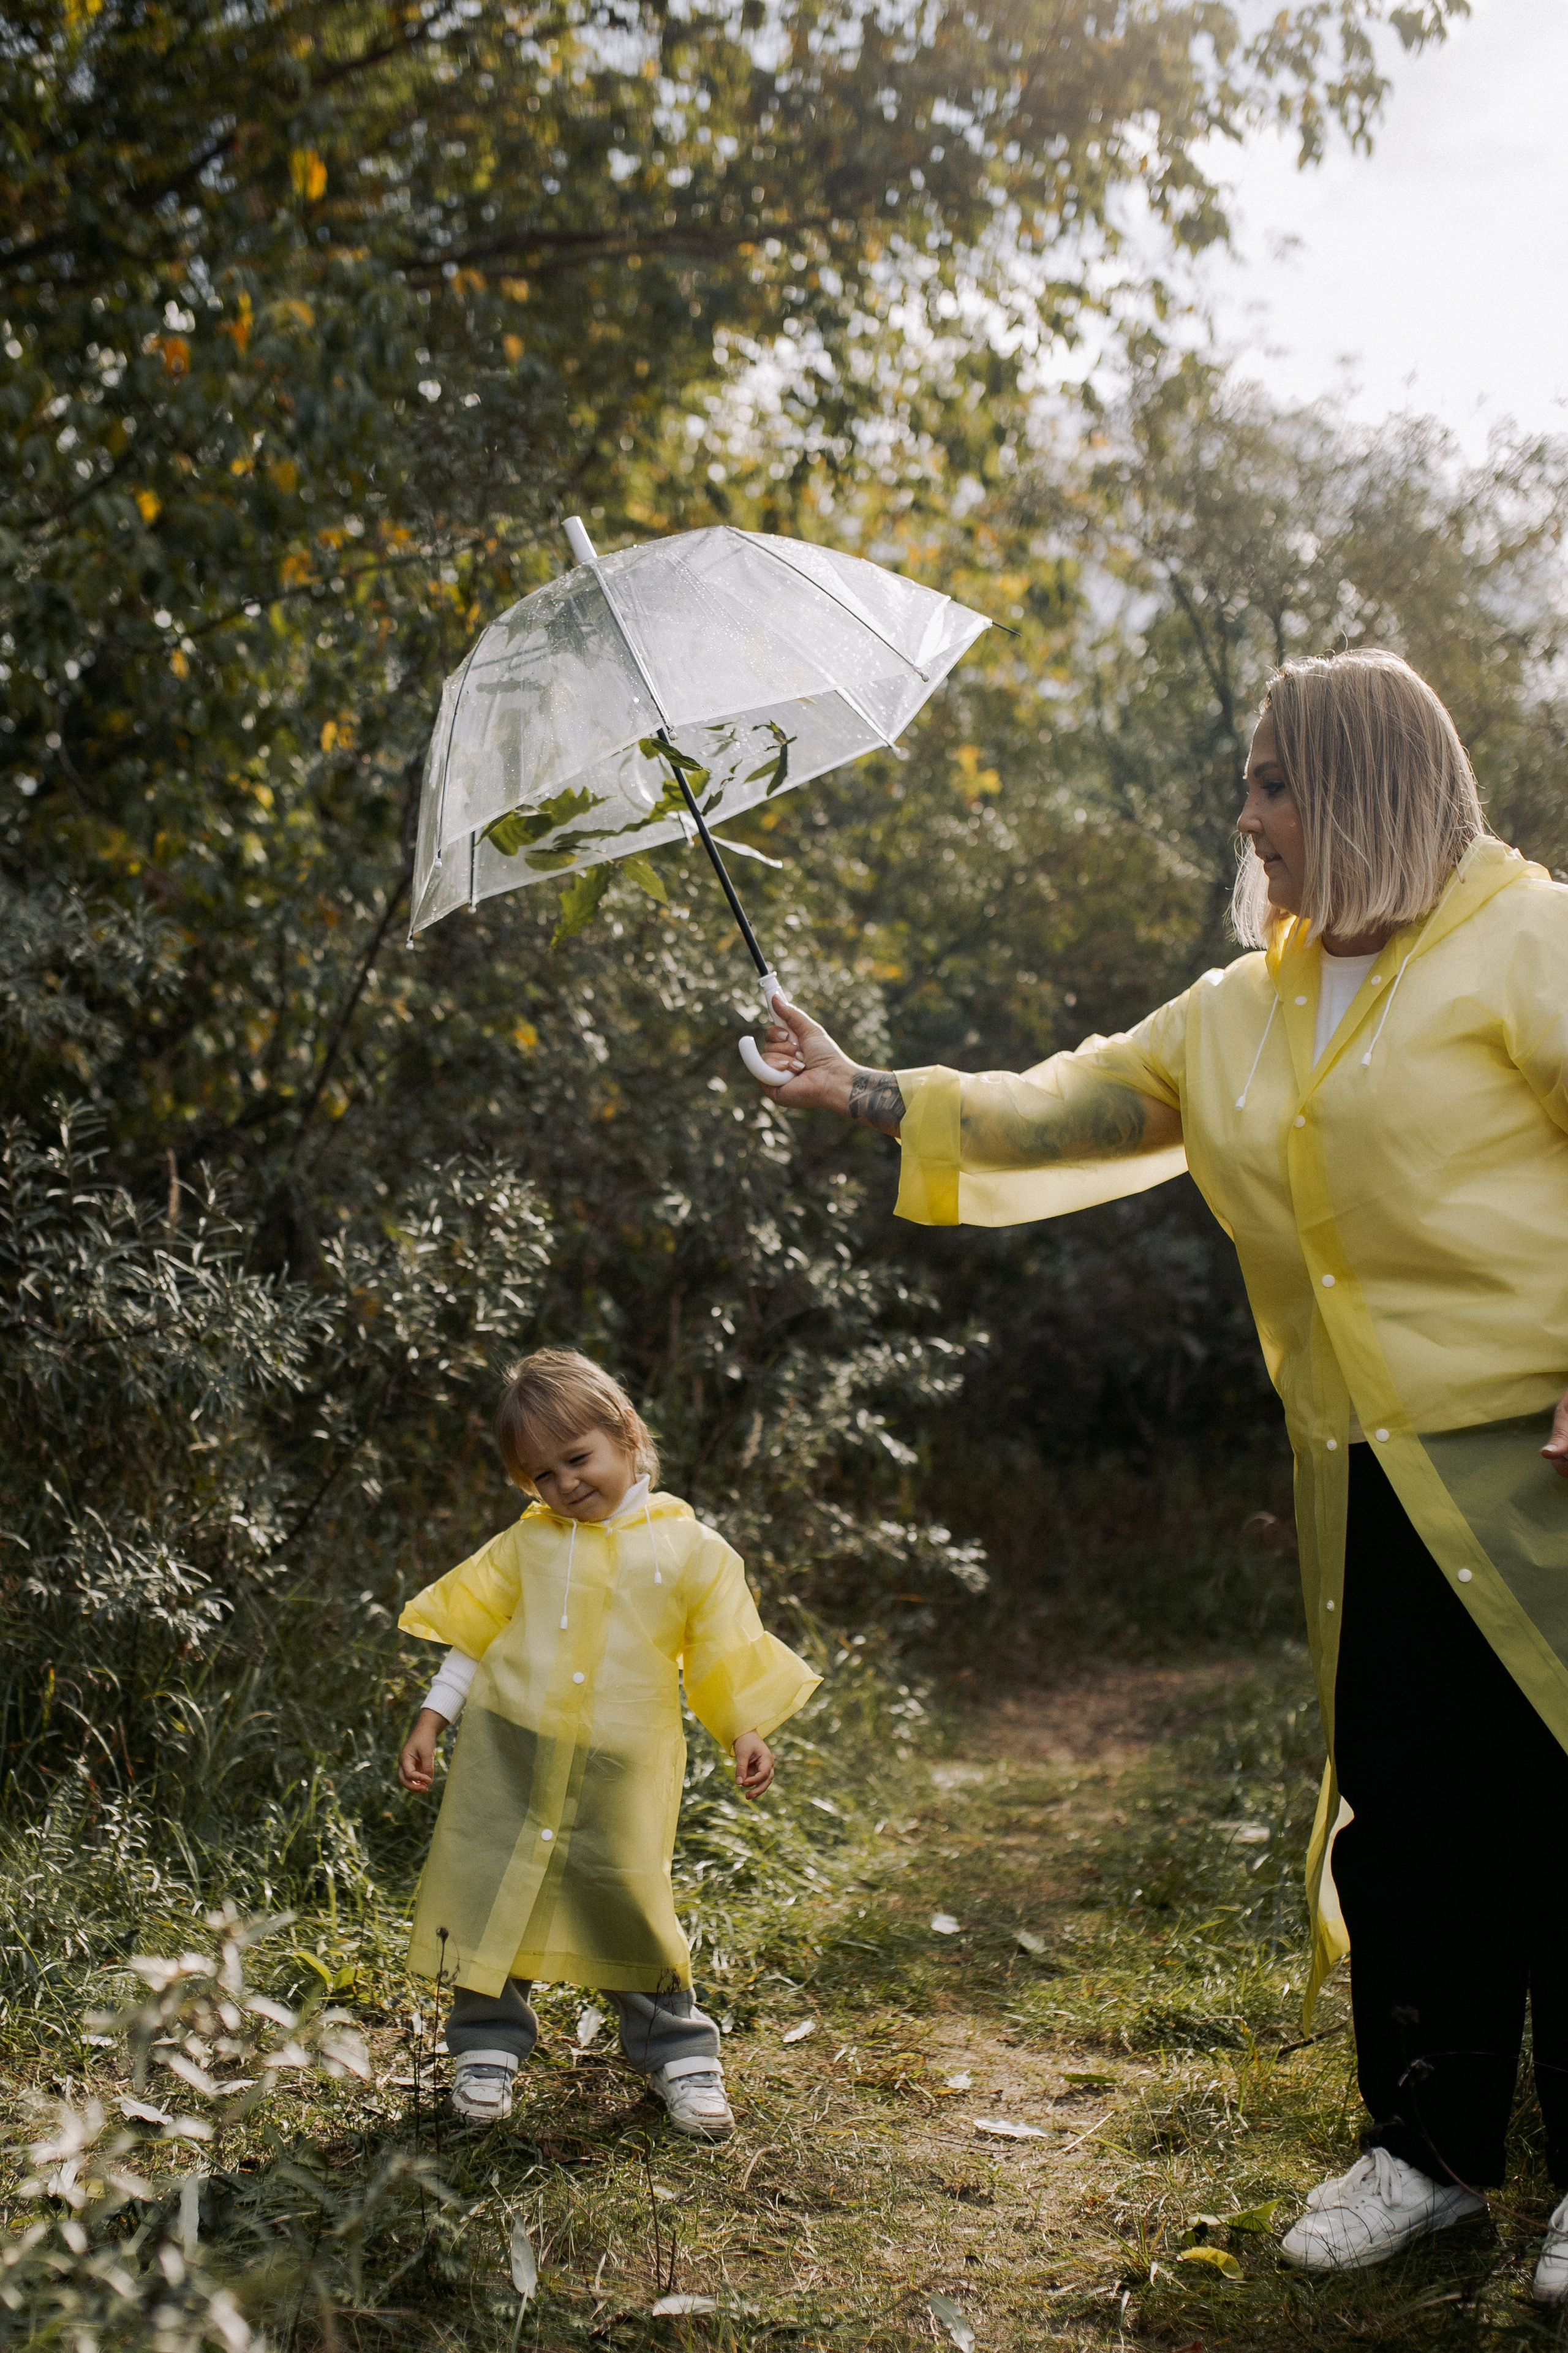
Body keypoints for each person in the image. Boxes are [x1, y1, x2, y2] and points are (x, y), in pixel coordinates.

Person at [761, 649, 1568, 2292]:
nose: (1248, 815)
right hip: (1364, 1473)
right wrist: (869, 1090)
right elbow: (1071, 1106)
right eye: (1251, 784)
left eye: (1272, 781)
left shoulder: (1528, 940)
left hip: (1543, 1456)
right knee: (1413, 1814)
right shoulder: (1240, 1007)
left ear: (1356, 786)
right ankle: (1426, 2153)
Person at [397, 1348, 820, 2139]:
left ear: (626, 1433)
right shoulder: (527, 1545)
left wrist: (744, 1729)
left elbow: (719, 1652)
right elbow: (472, 1638)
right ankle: (485, 2050)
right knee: (494, 1896)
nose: (565, 1483)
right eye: (542, 1474)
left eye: (578, 1457)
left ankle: (681, 2056)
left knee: (629, 1902)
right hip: (512, 1759)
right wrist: (432, 1719)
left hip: (620, 1771)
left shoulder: (689, 1550)